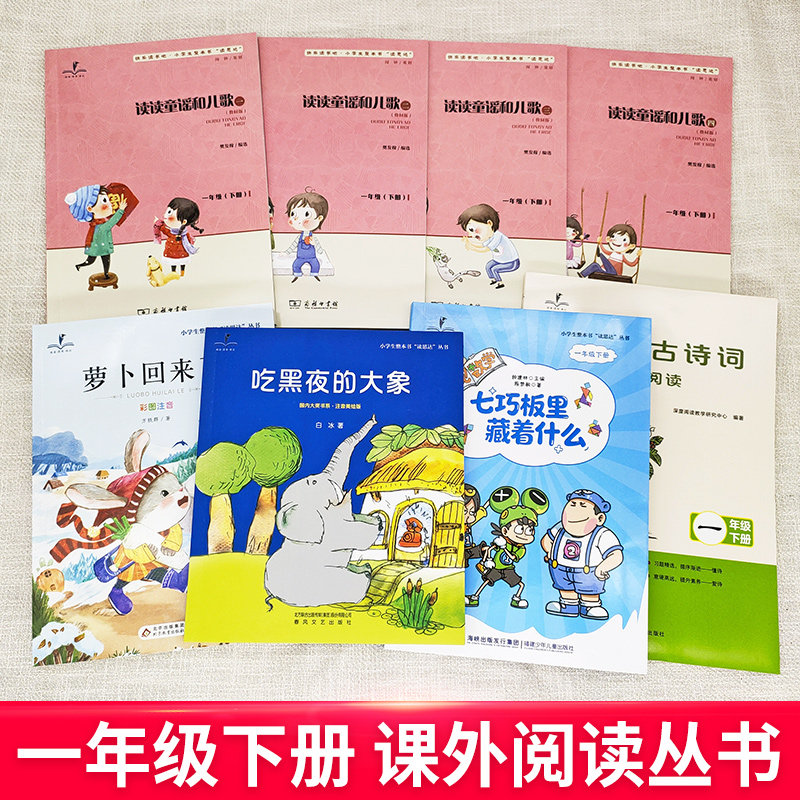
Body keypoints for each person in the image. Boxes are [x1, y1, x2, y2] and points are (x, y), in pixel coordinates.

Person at [541, 489, 623, 620]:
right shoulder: (560, 528)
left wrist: (603, 567)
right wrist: (550, 550)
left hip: (588, 572)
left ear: (600, 518)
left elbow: (616, 554)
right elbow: (547, 539)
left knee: (589, 591)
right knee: (565, 589)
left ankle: (590, 606)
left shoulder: (602, 534)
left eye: (583, 506)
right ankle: (568, 606)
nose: (575, 511)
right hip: (559, 569)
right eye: (572, 505)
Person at [65, 184, 127, 277]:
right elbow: (112, 222)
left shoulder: (95, 225)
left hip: (96, 247)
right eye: (104, 200)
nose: (111, 204)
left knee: (92, 260)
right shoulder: (101, 227)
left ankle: (103, 273)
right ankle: (105, 274)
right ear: (90, 208)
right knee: (102, 260)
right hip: (101, 248)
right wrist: (120, 210)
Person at [458, 203, 519, 289]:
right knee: (488, 266)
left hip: (511, 263)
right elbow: (482, 246)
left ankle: (500, 282)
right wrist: (470, 244)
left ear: (489, 223)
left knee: (494, 269)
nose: (473, 235)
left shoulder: (498, 236)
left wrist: (471, 247)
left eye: (472, 230)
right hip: (499, 261)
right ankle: (493, 279)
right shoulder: (490, 238)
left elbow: (485, 249)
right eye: (469, 232)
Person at [284, 191, 329, 282]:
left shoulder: (313, 237)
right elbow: (294, 245)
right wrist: (287, 252)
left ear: (319, 218)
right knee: (296, 265)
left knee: (315, 265)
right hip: (300, 257)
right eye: (293, 214)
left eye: (307, 214)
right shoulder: (299, 237)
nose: (298, 220)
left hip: (312, 257)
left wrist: (319, 249)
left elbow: (318, 245)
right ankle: (297, 275)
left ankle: (314, 274)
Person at [153, 197, 203, 278]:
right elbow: (164, 229)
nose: (165, 216)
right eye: (167, 211)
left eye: (169, 212)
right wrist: (158, 223)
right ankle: (174, 273)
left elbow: (164, 230)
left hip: (179, 254)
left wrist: (158, 224)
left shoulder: (182, 235)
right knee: (174, 263)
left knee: (180, 263)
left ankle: (181, 272)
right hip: (175, 254)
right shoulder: (176, 233)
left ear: (184, 221)